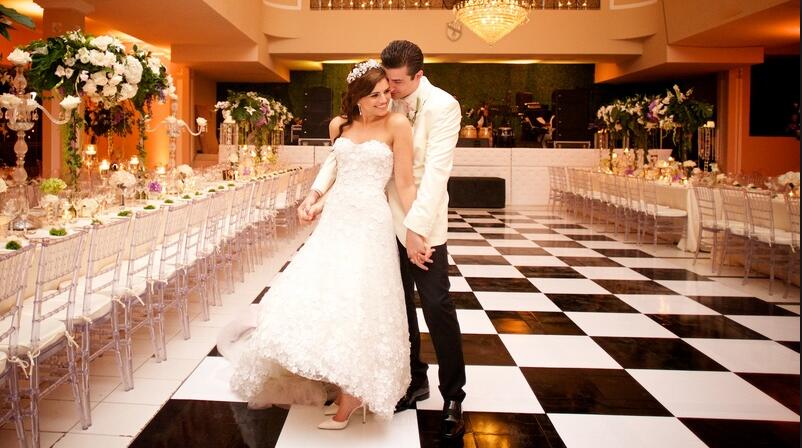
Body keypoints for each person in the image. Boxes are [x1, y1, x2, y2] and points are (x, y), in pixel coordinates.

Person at [220, 59, 416, 430]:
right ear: (356, 99)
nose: (384, 100)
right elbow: (337, 171)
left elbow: (405, 183)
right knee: (327, 295)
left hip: (371, 221)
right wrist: (313, 198)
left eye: (387, 92)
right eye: (374, 95)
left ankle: (352, 395)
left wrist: (418, 230)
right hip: (338, 219)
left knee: (360, 301)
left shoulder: (398, 124)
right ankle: (342, 388)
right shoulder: (339, 126)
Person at [300, 40, 467, 440]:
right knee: (394, 304)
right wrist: (317, 195)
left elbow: (433, 175)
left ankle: (453, 395)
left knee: (437, 303)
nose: (388, 92)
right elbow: (341, 155)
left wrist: (416, 228)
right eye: (383, 84)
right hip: (373, 219)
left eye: (395, 83)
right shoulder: (371, 108)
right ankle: (413, 379)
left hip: (419, 217)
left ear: (418, 76)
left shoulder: (443, 107)